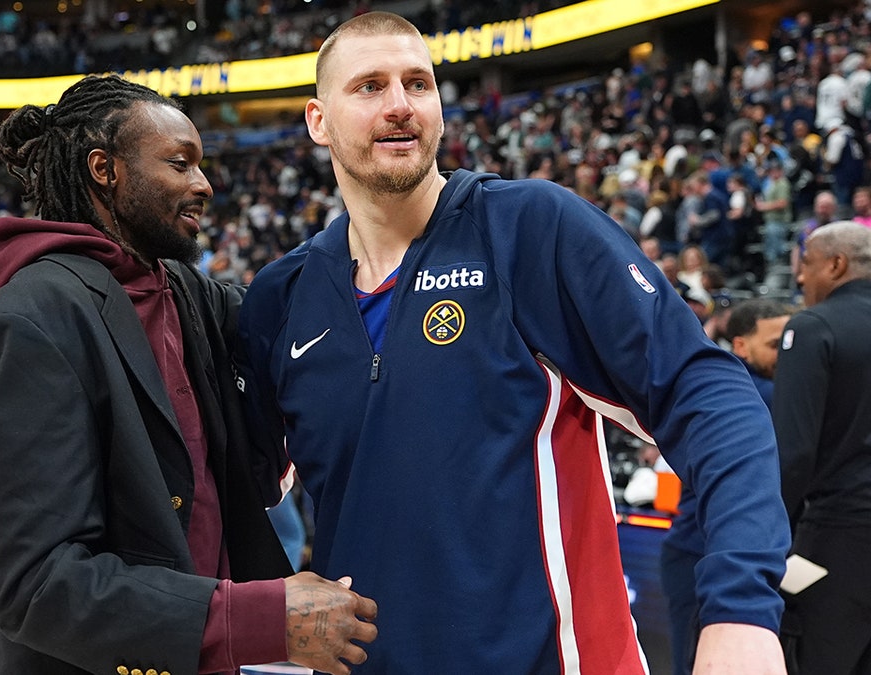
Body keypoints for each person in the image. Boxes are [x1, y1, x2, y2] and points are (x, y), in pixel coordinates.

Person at [236, 12, 790, 674]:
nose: (400, 106)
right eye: (369, 86)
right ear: (318, 120)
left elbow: (711, 396)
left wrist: (740, 611)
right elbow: (233, 489)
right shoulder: (283, 296)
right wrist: (263, 604)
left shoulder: (528, 229)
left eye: (419, 82)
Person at [0, 74, 376, 675]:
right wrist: (260, 620)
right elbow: (39, 587)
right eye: (179, 164)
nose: (203, 184)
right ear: (106, 170)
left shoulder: (183, 290)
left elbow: (295, 312)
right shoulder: (31, 321)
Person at [660, 296, 792, 675]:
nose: (786, 354)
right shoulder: (750, 392)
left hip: (722, 557)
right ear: (740, 345)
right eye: (773, 345)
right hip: (699, 554)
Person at [772, 221, 871, 674]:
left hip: (835, 540)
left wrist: (768, 539)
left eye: (806, 264)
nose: (799, 277)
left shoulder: (813, 328)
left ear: (836, 264)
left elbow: (793, 454)